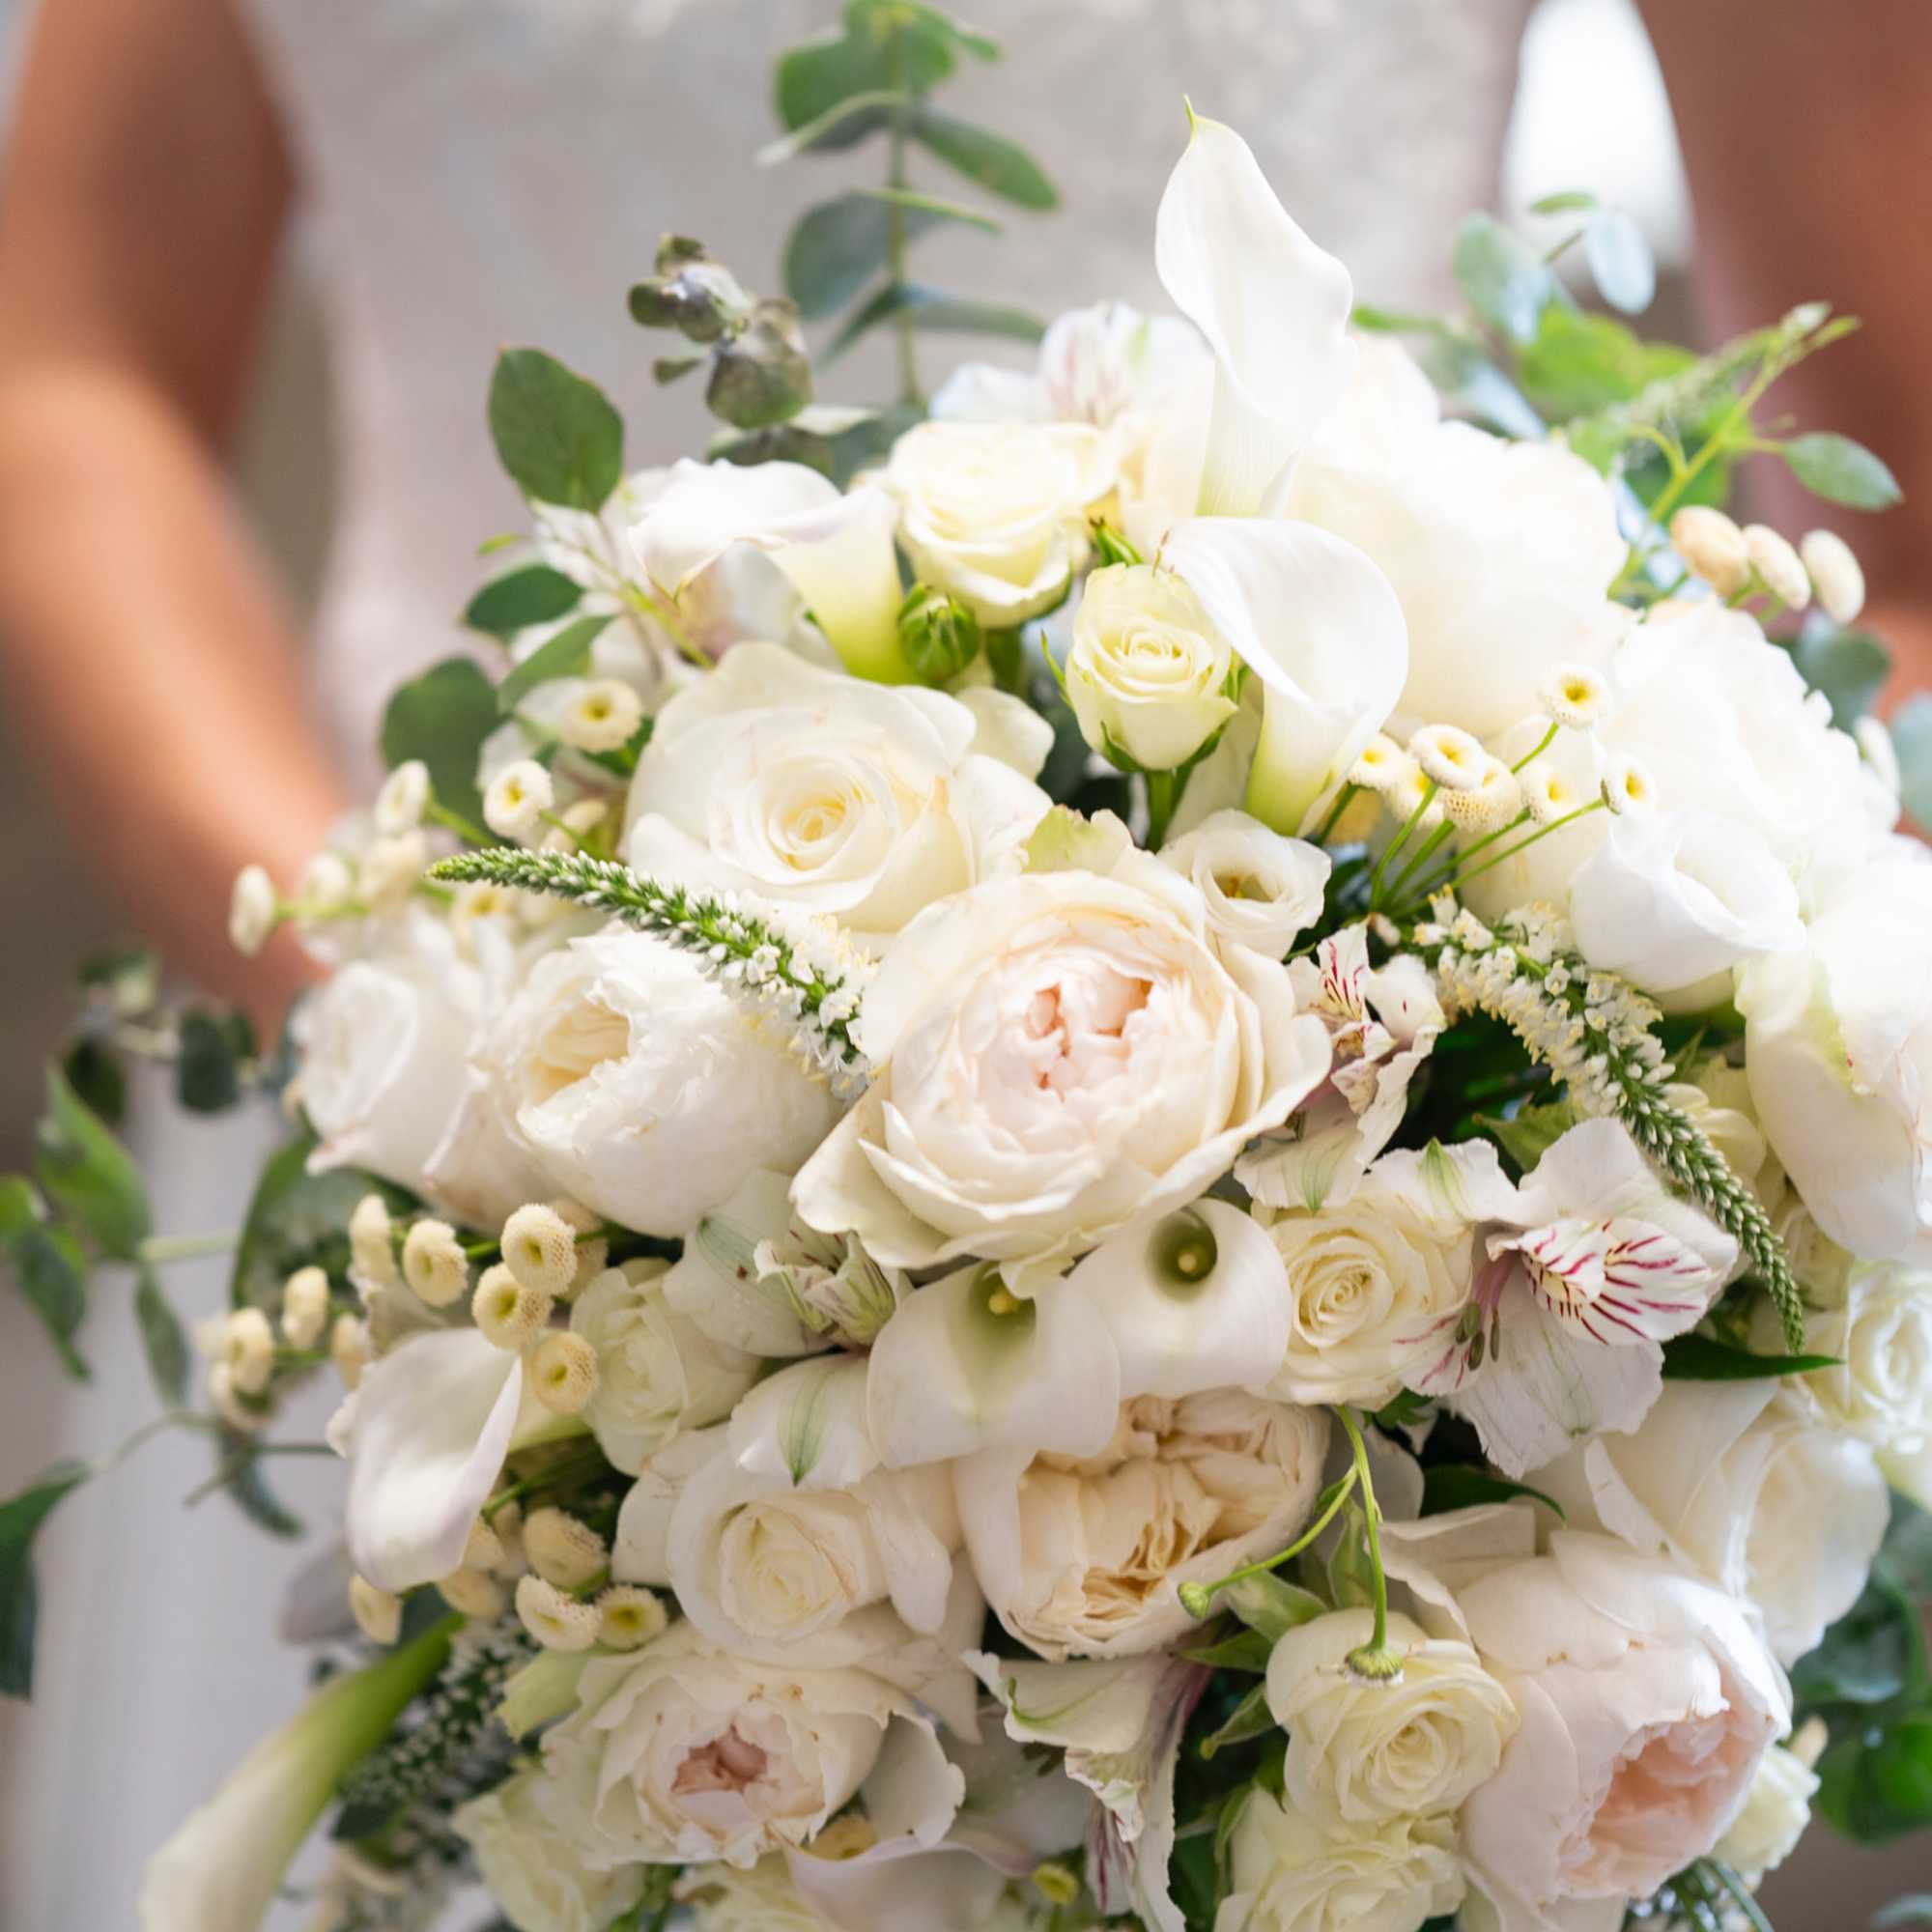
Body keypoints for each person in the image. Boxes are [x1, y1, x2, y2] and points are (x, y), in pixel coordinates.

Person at [0, 0, 1927, 1923]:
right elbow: (74, 365)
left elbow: (1903, 541)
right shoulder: (462, 1115)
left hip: (1414, 1052)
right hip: (483, 1162)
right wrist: (393, 1015)